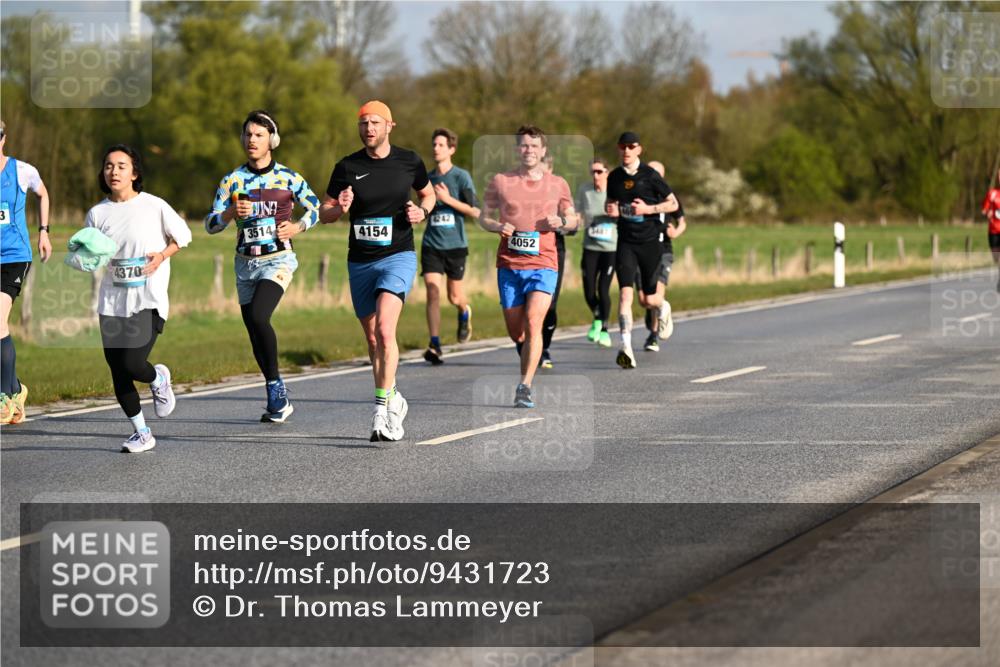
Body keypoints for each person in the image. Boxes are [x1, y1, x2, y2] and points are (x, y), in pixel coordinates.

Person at [320, 101, 435, 441]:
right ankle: (394, 395)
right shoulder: (347, 166)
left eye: (375, 123)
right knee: (372, 339)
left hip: (397, 256)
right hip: (360, 261)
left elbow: (428, 195)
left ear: (389, 126)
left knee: (386, 331)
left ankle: (382, 412)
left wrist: (422, 212)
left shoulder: (409, 161)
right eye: (363, 123)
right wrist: (337, 208)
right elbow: (324, 211)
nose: (368, 128)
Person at [205, 110, 320, 423]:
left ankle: (275, 387)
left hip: (278, 260)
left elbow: (316, 208)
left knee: (259, 316)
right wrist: (229, 213)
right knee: (254, 330)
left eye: (258, 134)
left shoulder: (288, 178)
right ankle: (278, 398)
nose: (252, 140)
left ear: (272, 140)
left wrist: (298, 227)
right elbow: (210, 225)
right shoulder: (232, 180)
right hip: (245, 265)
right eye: (248, 134)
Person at [87, 144, 192, 452]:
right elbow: (92, 255)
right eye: (108, 165)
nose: (114, 171)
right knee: (118, 370)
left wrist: (161, 255)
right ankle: (142, 433)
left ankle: (158, 377)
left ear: (134, 173)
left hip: (148, 299)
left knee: (133, 362)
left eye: (121, 165)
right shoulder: (97, 213)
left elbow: (183, 236)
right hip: (111, 303)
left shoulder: (154, 206)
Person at [479, 126, 577, 408]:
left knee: (535, 322)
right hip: (509, 265)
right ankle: (527, 353)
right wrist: (497, 226)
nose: (529, 150)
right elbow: (483, 216)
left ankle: (524, 386)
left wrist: (563, 223)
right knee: (516, 332)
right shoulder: (500, 181)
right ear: (516, 149)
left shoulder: (558, 183)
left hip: (544, 263)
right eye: (524, 146)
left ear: (543, 150)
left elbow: (572, 218)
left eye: (534, 146)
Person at [605, 132, 679, 369]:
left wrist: (648, 209)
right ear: (618, 149)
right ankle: (625, 346)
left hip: (650, 243)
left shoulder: (650, 175)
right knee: (626, 295)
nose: (626, 150)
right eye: (622, 146)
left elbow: (673, 204)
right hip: (626, 242)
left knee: (648, 299)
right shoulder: (614, 177)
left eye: (631, 146)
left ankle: (662, 306)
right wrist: (613, 211)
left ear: (639, 149)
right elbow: (613, 203)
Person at [0, 120, 51, 425]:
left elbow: (43, 194)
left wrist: (44, 232)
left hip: (14, 256)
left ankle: (5, 398)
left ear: (3, 138)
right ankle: (17, 391)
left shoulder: (22, 171)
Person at [421, 128, 479, 365]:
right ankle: (435, 344)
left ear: (451, 149)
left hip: (455, 245)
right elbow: (423, 208)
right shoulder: (427, 178)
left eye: (441, 145)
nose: (436, 148)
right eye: (434, 144)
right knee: (432, 293)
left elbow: (475, 210)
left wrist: (447, 200)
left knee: (454, 296)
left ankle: (464, 311)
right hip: (431, 244)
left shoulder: (461, 177)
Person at [538, 154, 579, 368]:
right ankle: (529, 345)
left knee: (550, 303)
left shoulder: (559, 189)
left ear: (550, 171)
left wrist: (561, 222)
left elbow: (574, 222)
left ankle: (544, 348)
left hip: (554, 248)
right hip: (528, 251)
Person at [641, 159, 686, 350]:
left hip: (664, 251)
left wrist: (675, 232)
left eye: (657, 173)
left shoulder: (670, 198)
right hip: (643, 249)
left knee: (657, 293)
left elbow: (682, 222)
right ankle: (653, 313)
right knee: (644, 299)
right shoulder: (640, 195)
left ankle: (653, 336)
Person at [578, 158, 616, 348]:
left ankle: (604, 330)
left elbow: (624, 213)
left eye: (600, 172)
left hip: (610, 249)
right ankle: (597, 317)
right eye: (593, 172)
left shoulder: (615, 191)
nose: (596, 175)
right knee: (588, 291)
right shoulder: (585, 190)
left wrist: (615, 213)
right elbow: (578, 213)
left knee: (603, 289)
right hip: (590, 247)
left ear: (607, 173)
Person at [982, 166, 1000, 291]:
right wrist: (987, 213)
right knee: (996, 258)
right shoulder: (992, 194)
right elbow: (984, 209)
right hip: (993, 230)